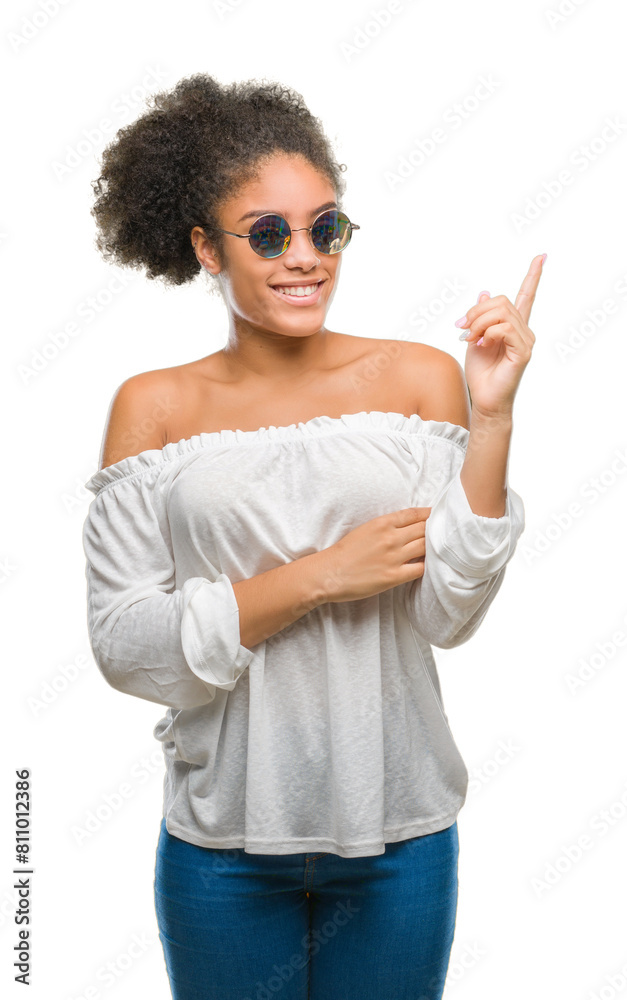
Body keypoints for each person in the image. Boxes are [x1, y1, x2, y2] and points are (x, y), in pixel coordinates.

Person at [81, 72, 542, 1000]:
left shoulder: (417, 379)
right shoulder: (155, 406)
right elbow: (125, 647)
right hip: (222, 848)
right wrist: (319, 577)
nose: (305, 257)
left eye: (325, 227)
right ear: (206, 247)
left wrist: (490, 419)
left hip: (399, 837)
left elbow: (450, 611)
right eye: (268, 234)